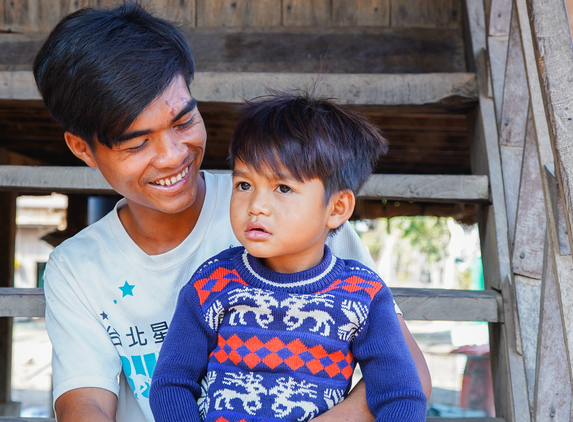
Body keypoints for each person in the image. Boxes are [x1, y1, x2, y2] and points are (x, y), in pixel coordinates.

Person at [32, 0, 431, 422]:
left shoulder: (302, 214)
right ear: (82, 148)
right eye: (136, 143)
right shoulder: (77, 268)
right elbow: (86, 405)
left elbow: (407, 378)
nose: (171, 156)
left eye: (184, 122)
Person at [149, 93, 428, 422]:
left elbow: (402, 395)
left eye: (282, 188)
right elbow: (171, 384)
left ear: (337, 208)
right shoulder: (213, 282)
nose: (255, 206)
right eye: (243, 184)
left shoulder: (363, 296)